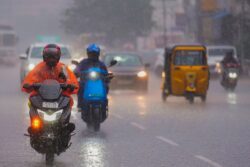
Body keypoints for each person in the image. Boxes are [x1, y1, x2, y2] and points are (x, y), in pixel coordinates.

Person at [22, 44, 79, 133]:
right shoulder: (39, 67)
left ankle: (64, 124)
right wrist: (29, 85)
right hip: (41, 96)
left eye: (54, 56)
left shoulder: (63, 68)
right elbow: (29, 81)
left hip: (59, 96)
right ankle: (35, 124)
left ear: (58, 57)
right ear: (44, 56)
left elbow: (72, 82)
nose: (51, 59)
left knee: (69, 100)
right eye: (49, 56)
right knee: (31, 100)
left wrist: (70, 85)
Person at [74, 43, 108, 109]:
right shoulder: (83, 62)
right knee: (80, 87)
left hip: (99, 82)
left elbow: (105, 72)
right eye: (91, 53)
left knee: (106, 86)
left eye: (95, 53)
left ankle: (104, 102)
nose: (93, 55)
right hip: (85, 82)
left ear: (98, 54)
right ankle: (80, 104)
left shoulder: (101, 63)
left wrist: (108, 75)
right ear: (88, 54)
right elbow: (77, 70)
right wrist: (76, 73)